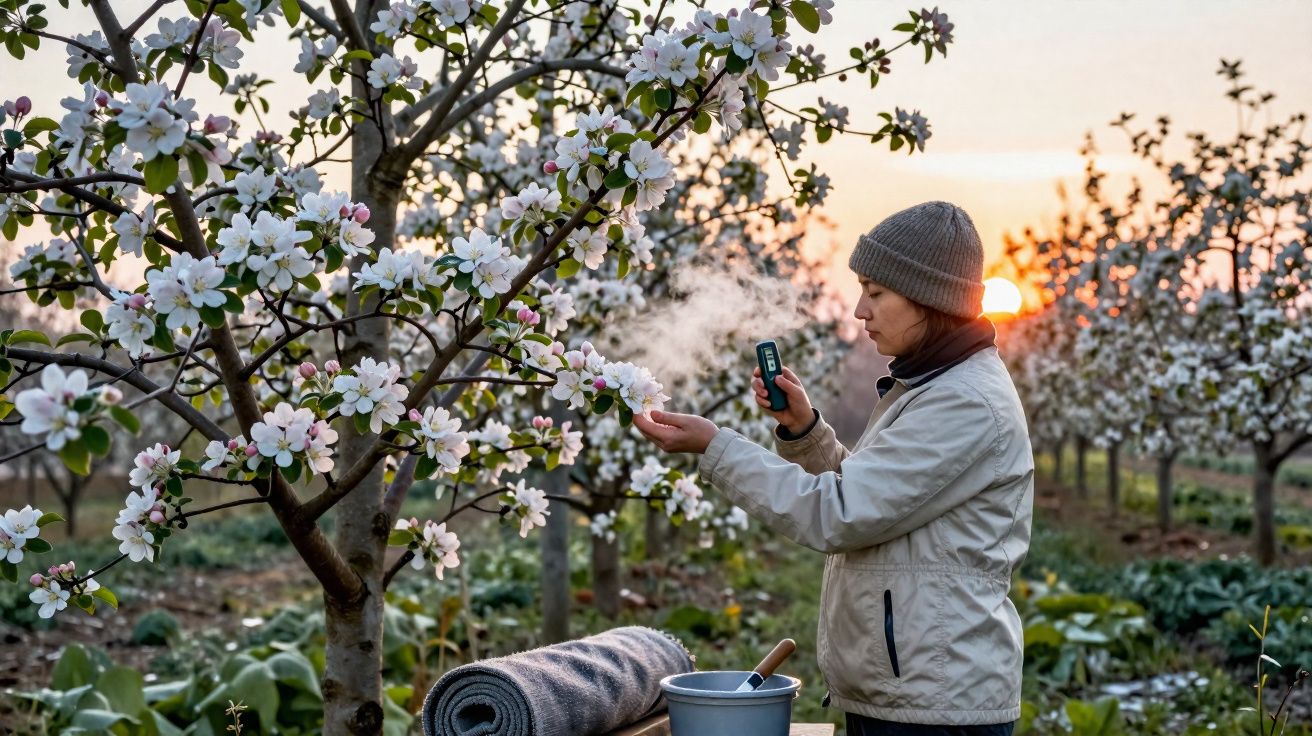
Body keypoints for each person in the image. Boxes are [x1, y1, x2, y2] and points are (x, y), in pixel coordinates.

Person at [633, 201, 1034, 735]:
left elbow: (839, 515)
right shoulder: (933, 386)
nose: (859, 311)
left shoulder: (963, 402)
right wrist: (804, 432)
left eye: (876, 292)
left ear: (928, 297)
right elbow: (873, 499)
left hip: (935, 706)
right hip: (909, 689)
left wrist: (715, 449)